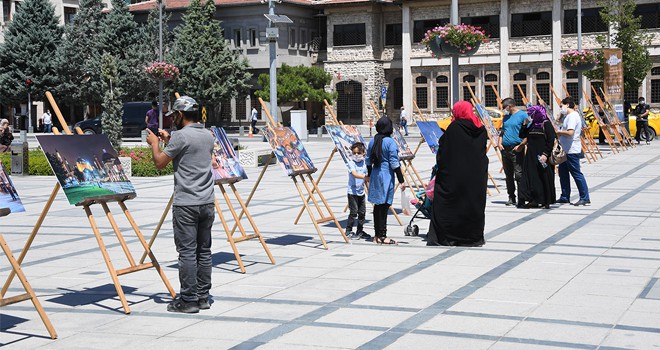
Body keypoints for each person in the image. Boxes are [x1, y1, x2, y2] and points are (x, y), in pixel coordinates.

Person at [147, 96, 215, 313]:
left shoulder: (180, 136)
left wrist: (155, 144)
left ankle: (188, 300)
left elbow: (159, 163)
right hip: (207, 201)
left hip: (186, 203)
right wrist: (169, 140)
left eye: (174, 115)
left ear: (181, 114)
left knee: (186, 252)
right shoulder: (208, 135)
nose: (172, 119)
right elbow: (188, 153)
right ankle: (203, 296)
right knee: (203, 251)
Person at [427, 101, 488, 247]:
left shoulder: (454, 128)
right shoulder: (481, 129)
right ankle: (472, 238)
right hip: (476, 177)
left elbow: (444, 152)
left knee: (448, 203)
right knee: (472, 205)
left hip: (453, 176)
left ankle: (448, 237)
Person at [367, 117, 405, 245]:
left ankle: (377, 235)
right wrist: (401, 180)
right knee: (384, 206)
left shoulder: (373, 141)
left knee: (377, 206)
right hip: (386, 175)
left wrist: (369, 174)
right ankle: (383, 236)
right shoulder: (390, 142)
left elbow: (368, 160)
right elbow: (394, 163)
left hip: (375, 174)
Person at [518, 105, 557, 209]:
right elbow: (522, 135)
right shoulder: (532, 125)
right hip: (531, 156)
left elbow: (550, 140)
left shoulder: (546, 124)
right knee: (532, 177)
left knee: (543, 177)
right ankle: (534, 200)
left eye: (531, 113)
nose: (529, 115)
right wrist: (524, 125)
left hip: (542, 156)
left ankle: (545, 200)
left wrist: (545, 154)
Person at [556, 97, 590, 206]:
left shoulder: (572, 116)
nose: (561, 108)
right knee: (563, 173)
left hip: (571, 150)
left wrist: (559, 132)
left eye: (562, 106)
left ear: (567, 105)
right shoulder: (568, 116)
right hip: (565, 150)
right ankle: (565, 196)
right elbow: (558, 121)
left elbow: (570, 132)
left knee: (576, 173)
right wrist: (560, 117)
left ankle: (585, 197)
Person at [498, 97, 527, 208]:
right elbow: (502, 131)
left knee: (518, 174)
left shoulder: (523, 115)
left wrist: (521, 145)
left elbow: (527, 132)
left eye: (505, 108)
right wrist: (499, 142)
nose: (504, 110)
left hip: (517, 148)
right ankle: (511, 196)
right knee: (508, 174)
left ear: (510, 106)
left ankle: (521, 197)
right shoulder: (506, 117)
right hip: (505, 148)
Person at [346, 142, 371, 240]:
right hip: (352, 192)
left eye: (358, 153)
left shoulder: (364, 164)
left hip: (361, 193)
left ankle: (360, 230)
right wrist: (366, 177)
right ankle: (348, 230)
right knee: (353, 212)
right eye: (354, 153)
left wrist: (368, 189)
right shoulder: (351, 163)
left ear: (363, 153)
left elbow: (365, 180)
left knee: (362, 212)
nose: (356, 155)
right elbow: (354, 174)